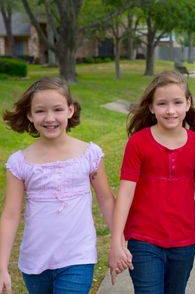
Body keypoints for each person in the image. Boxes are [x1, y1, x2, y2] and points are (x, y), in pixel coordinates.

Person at [0, 77, 115, 294]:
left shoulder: (89, 154)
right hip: (35, 262)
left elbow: (106, 199)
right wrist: (1, 265)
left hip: (77, 257)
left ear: (70, 111)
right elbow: (10, 214)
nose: (50, 118)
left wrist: (119, 241)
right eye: (41, 111)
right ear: (29, 115)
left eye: (58, 109)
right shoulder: (20, 162)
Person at [109, 71, 195, 294]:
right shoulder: (138, 142)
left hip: (184, 240)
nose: (170, 110)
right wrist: (117, 241)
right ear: (152, 107)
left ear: (188, 104)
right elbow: (125, 194)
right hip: (143, 239)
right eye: (162, 103)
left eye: (177, 102)